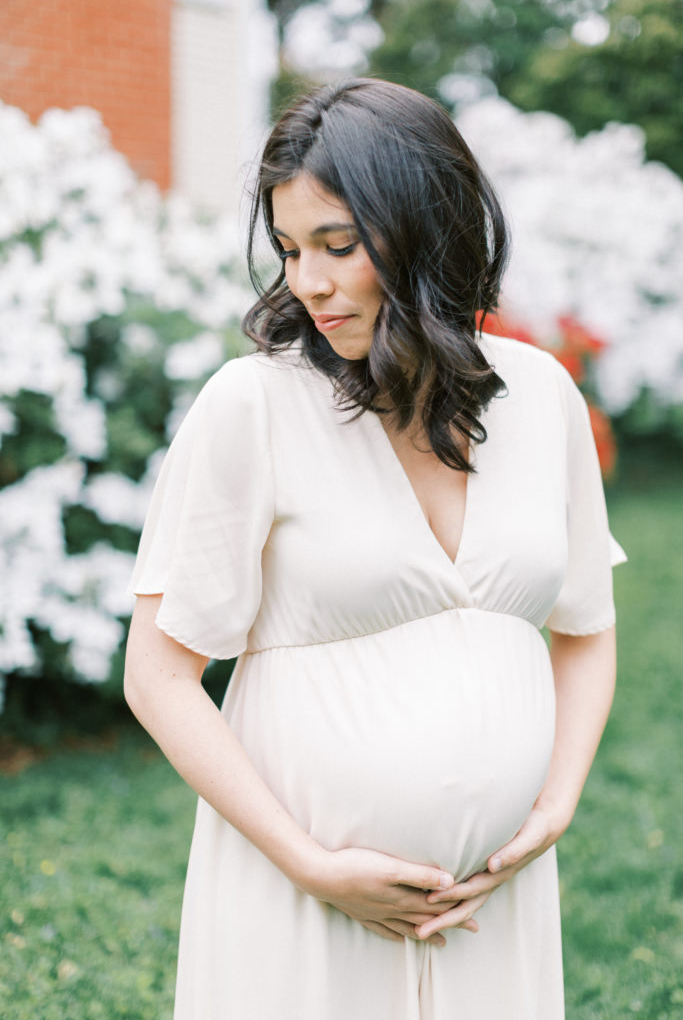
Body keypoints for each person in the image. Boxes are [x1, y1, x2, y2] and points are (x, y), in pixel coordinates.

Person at [124, 77, 625, 1020]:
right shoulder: (253, 404)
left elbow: (587, 628)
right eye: (288, 249)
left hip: (492, 905)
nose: (306, 282)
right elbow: (156, 674)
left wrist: (551, 809)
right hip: (301, 903)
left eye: (338, 246)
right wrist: (314, 866)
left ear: (425, 227)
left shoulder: (542, 395)